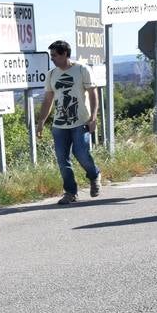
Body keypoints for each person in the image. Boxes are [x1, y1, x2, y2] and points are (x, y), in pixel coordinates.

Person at [35, 39, 101, 205]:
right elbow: (47, 100)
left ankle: (94, 175)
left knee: (81, 153)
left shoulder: (82, 70)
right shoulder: (51, 74)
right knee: (62, 159)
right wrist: (41, 121)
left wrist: (93, 117)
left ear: (65, 54)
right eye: (51, 56)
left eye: (55, 55)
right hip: (59, 125)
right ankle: (70, 192)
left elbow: (93, 94)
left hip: (80, 122)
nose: (52, 59)